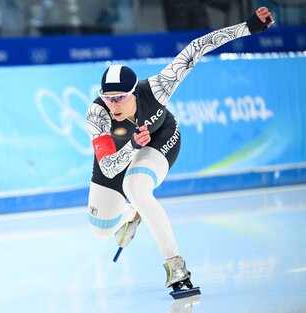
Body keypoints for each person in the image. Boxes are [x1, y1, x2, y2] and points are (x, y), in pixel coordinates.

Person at [86, 7, 274, 297]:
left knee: (135, 186)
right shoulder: (97, 116)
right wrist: (132, 145)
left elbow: (196, 48)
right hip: (119, 153)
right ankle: (130, 214)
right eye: (108, 98)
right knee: (100, 230)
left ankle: (175, 265)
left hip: (159, 138)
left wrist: (247, 28)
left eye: (120, 97)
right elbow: (109, 167)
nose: (114, 105)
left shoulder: (158, 89)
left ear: (134, 92)